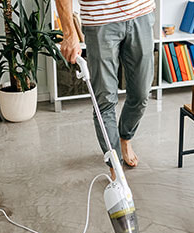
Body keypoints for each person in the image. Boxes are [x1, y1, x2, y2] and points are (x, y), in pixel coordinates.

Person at [55, 0, 155, 177]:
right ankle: (115, 165)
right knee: (105, 99)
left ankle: (125, 137)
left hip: (141, 13)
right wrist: (69, 33)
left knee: (141, 93)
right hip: (99, 19)